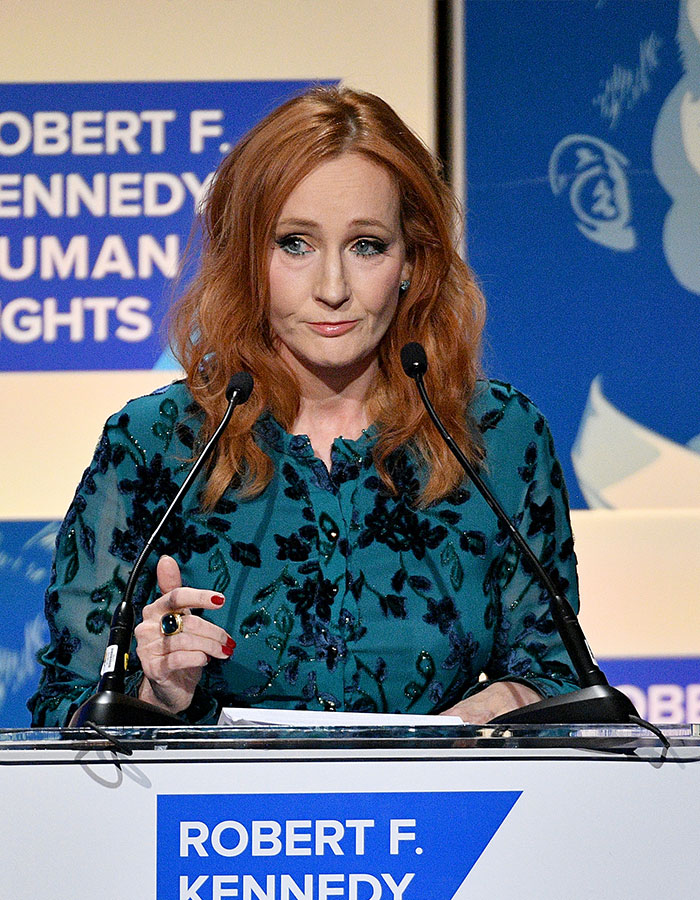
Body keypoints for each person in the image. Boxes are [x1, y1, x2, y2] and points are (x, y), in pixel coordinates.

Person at [29, 86, 580, 727]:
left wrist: (496, 712)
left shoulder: (497, 438)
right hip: (219, 828)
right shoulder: (157, 444)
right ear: (248, 259)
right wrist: (158, 697)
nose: (333, 289)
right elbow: (59, 715)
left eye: (367, 245)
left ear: (412, 260)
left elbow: (561, 679)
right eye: (295, 243)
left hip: (442, 821)